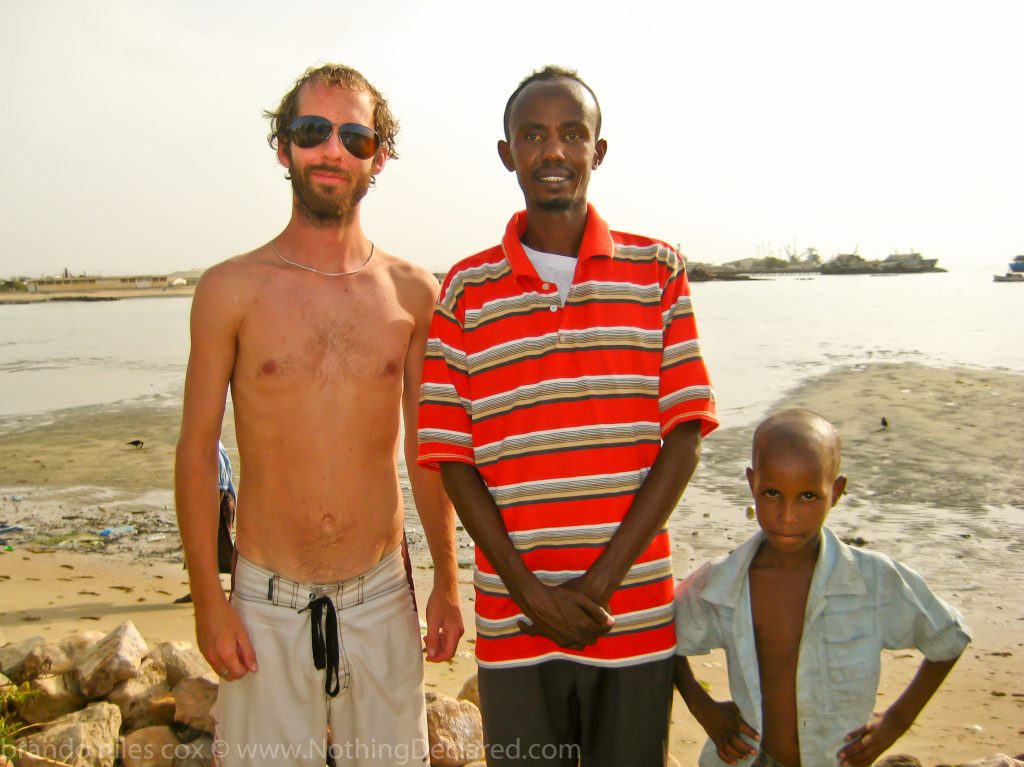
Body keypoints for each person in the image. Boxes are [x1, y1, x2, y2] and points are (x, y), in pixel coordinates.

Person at [418, 66, 718, 766]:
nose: (553, 150)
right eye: (533, 135)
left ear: (598, 151)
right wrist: (529, 592)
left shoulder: (658, 271)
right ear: (507, 154)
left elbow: (684, 439)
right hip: (513, 622)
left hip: (633, 613)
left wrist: (598, 584)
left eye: (571, 134)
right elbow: (451, 458)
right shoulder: (463, 291)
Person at [175, 63, 463, 766]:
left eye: (354, 137)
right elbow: (195, 449)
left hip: (381, 598)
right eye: (312, 131)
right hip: (262, 603)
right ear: (284, 149)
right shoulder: (229, 290)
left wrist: (449, 584)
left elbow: (429, 449)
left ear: (378, 158)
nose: (332, 149)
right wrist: (208, 601)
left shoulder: (414, 293)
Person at [673, 409, 970, 767]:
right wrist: (701, 706)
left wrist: (895, 722)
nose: (787, 515)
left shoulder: (873, 581)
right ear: (752, 483)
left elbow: (948, 637)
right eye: (772, 493)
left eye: (808, 497)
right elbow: (660, 633)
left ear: (837, 491)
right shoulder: (720, 584)